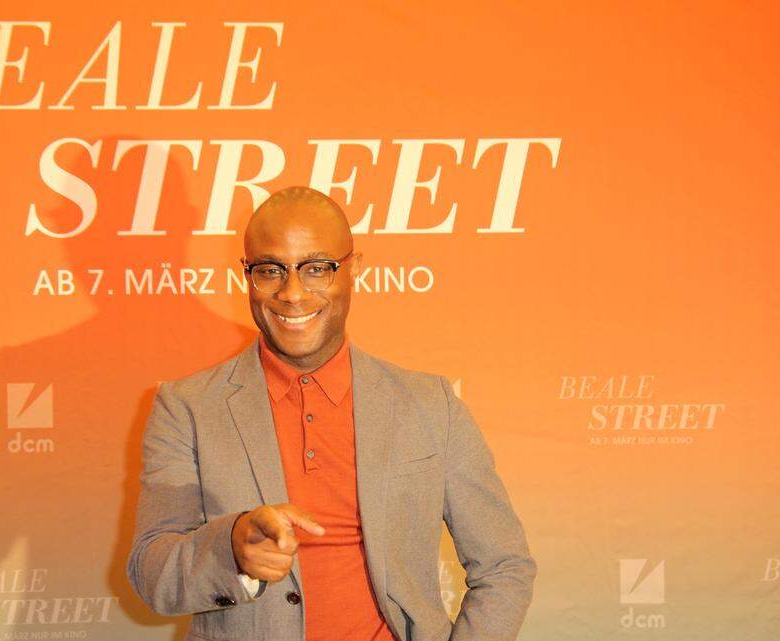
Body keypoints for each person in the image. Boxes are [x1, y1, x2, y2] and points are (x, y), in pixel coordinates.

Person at [127, 186, 536, 641]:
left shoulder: (430, 405)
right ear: (247, 275)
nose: (293, 293)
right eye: (270, 270)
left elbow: (505, 565)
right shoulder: (187, 408)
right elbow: (152, 572)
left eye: (317, 268)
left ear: (353, 269)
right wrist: (231, 549)